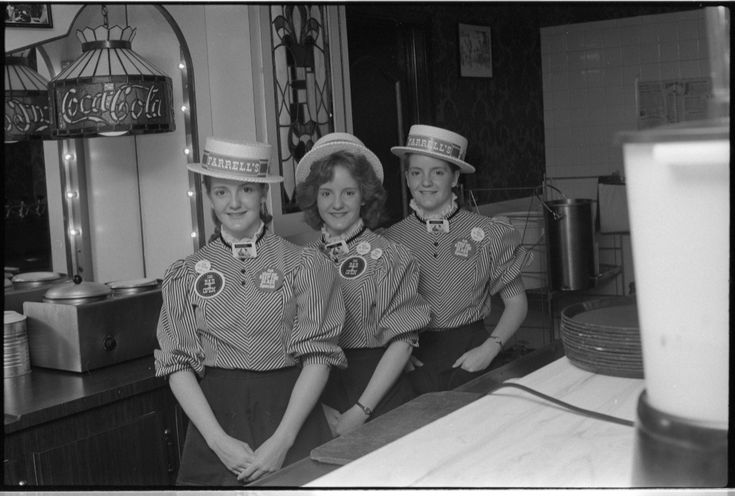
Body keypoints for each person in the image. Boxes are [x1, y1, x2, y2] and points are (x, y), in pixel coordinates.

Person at [154, 137, 347, 485]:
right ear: (208, 197)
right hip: (216, 420)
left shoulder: (303, 264)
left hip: (291, 416)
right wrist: (218, 442)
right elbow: (177, 364)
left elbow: (318, 358)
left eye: (245, 189)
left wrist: (282, 441)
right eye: (221, 192)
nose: (234, 203)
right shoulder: (186, 272)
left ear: (262, 194)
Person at [295, 132, 431, 436]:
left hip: (379, 395)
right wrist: (315, 408)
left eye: (349, 193)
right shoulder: (298, 263)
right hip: (319, 397)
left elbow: (402, 343)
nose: (337, 204)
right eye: (326, 193)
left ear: (365, 195)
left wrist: (360, 411)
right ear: (314, 199)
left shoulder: (391, 256)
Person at [384, 124, 529, 394]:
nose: (425, 182)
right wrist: (394, 353)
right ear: (406, 178)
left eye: (437, 172)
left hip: (472, 354)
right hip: (412, 362)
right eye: (416, 173)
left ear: (454, 178)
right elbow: (375, 311)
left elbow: (517, 303)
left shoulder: (489, 234)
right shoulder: (391, 240)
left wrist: (490, 348)